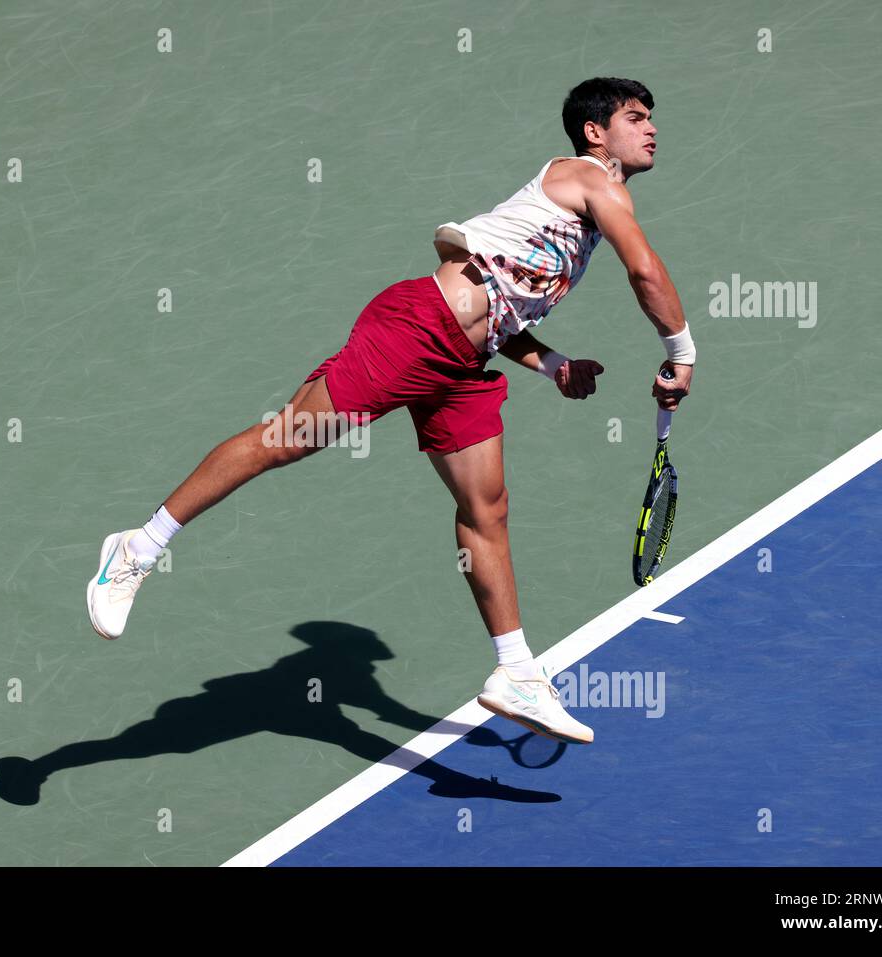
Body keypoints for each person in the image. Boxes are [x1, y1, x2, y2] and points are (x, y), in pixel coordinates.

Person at [86, 77, 693, 745]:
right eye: (635, 117)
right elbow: (645, 271)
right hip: (413, 329)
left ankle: (516, 671)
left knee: (485, 510)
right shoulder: (589, 178)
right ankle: (137, 548)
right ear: (594, 133)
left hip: (461, 366)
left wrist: (551, 364)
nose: (651, 128)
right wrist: (681, 351)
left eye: (651, 119)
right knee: (286, 439)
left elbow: (498, 306)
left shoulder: (583, 218)